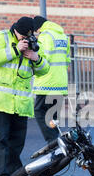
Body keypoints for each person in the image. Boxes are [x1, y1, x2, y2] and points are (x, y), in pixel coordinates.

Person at [0, 16, 36, 176]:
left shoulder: (31, 42)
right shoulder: (2, 37)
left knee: (16, 143)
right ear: (16, 30)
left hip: (20, 104)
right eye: (22, 36)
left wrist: (37, 58)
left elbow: (43, 70)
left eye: (27, 37)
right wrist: (15, 49)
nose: (24, 39)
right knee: (1, 141)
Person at [30, 15, 71, 143]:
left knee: (39, 111)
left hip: (47, 81)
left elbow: (43, 59)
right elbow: (67, 60)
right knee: (53, 115)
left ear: (38, 27)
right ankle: (58, 141)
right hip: (60, 82)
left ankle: (53, 141)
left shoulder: (45, 36)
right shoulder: (63, 36)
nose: (37, 33)